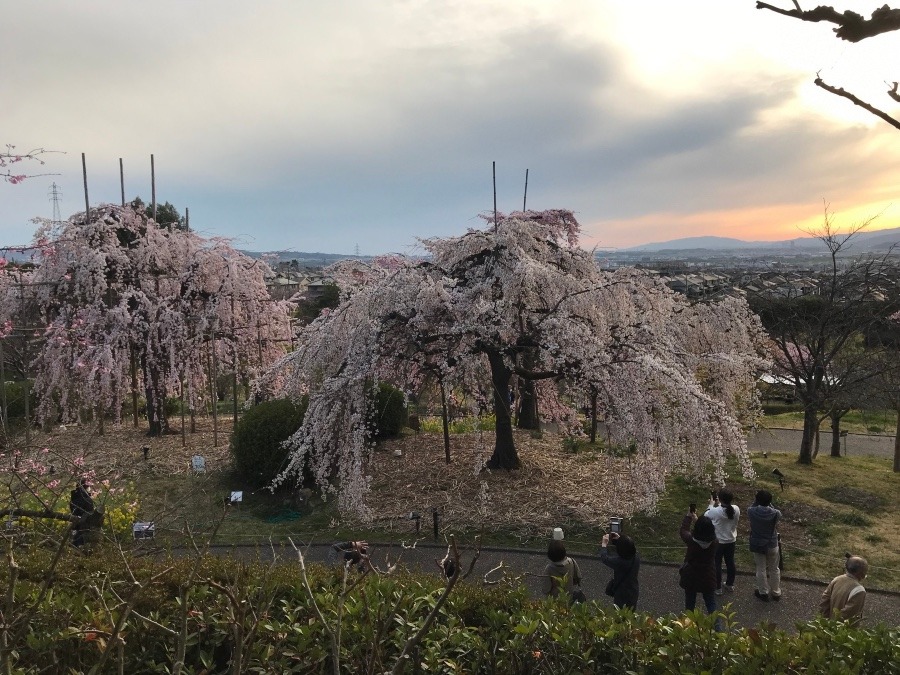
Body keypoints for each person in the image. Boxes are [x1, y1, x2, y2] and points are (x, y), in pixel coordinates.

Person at [679, 512, 718, 622]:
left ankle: (687, 627)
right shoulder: (715, 542)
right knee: (711, 605)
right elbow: (705, 531)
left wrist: (688, 517)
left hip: (691, 576)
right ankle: (718, 631)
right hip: (708, 576)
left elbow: (683, 531)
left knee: (690, 605)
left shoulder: (691, 541)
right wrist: (698, 521)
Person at [747, 489, 782, 601]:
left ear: (757, 500)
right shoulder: (776, 513)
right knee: (774, 568)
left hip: (758, 543)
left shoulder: (751, 511)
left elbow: (752, 506)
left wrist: (756, 500)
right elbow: (775, 510)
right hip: (772, 543)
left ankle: (763, 592)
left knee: (761, 568)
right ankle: (776, 592)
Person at [705, 489, 740, 595]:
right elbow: (726, 508)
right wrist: (719, 503)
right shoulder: (736, 509)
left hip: (718, 542)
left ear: (719, 499)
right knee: (730, 562)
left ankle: (717, 587)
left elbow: (706, 515)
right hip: (731, 540)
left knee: (717, 563)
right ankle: (730, 584)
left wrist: (711, 504)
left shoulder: (715, 511)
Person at [820, 555, 869, 625]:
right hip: (842, 631)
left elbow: (824, 601)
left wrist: (825, 623)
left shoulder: (837, 579)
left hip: (827, 626)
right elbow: (850, 615)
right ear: (861, 573)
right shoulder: (859, 590)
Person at [599, 532, 640, 610]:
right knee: (631, 613)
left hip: (622, 593)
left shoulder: (620, 562)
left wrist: (604, 544)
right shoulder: (636, 556)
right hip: (633, 590)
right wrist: (620, 540)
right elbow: (627, 548)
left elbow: (604, 558)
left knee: (620, 614)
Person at [542, 539, 584, 603]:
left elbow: (546, 589)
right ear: (564, 551)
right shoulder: (571, 561)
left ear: (550, 555)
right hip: (569, 597)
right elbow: (578, 578)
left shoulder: (549, 569)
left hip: (555, 601)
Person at [69, 478, 95, 547]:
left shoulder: (74, 497)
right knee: (81, 540)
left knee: (75, 538)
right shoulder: (87, 499)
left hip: (75, 521)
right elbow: (90, 513)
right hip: (85, 524)